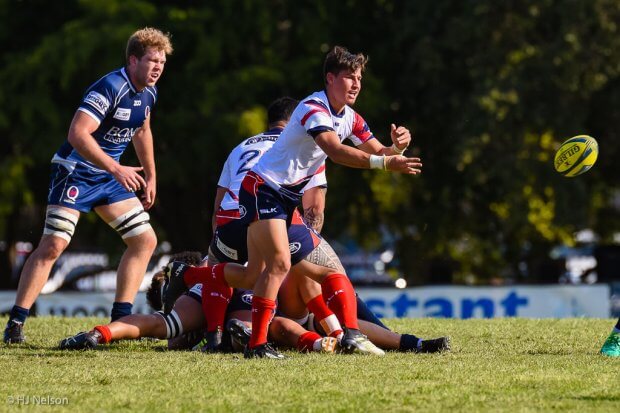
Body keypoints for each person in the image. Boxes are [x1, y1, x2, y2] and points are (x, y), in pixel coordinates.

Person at [235, 45, 422, 358]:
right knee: (279, 264)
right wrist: (387, 164)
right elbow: (335, 151)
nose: (356, 84)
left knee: (271, 272)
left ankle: (350, 335)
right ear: (330, 78)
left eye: (359, 78)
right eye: (349, 77)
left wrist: (397, 147)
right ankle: (257, 346)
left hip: (285, 199)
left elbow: (378, 152)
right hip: (262, 189)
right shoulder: (313, 108)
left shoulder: (351, 117)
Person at [164, 97, 386, 356]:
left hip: (231, 219)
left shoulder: (240, 147)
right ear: (297, 121)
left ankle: (192, 282)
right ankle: (355, 333)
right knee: (319, 270)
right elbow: (314, 207)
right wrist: (303, 243)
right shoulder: (307, 143)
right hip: (267, 206)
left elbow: (218, 203)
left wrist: (219, 241)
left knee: (252, 275)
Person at [4, 28, 173, 344]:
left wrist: (151, 176)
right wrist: (116, 167)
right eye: (152, 60)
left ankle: (120, 321)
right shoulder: (111, 87)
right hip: (76, 171)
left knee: (144, 240)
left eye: (162, 62)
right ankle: (15, 324)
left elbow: (142, 130)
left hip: (110, 176)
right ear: (133, 59)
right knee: (55, 245)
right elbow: (77, 134)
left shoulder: (149, 93)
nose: (158, 67)